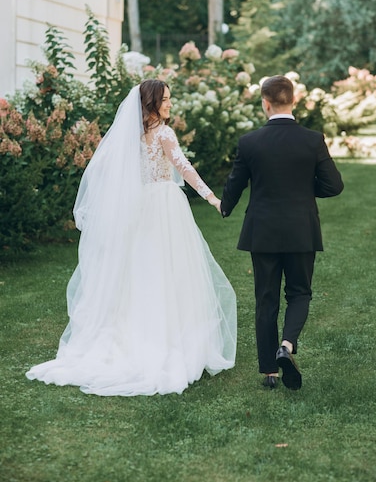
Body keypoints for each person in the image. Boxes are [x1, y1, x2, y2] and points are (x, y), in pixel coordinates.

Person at [26, 80, 236, 396]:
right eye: (165, 100)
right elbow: (184, 167)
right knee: (168, 270)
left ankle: (137, 333)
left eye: (170, 98)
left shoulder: (130, 138)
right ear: (151, 103)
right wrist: (212, 199)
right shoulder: (164, 134)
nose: (170, 104)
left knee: (142, 270)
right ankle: (166, 339)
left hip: (141, 208)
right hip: (164, 207)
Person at [220, 75, 343, 390]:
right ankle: (285, 347)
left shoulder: (250, 142)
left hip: (262, 230)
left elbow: (235, 183)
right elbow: (334, 185)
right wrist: (304, 190)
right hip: (301, 228)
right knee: (299, 292)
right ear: (294, 100)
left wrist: (225, 206)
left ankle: (269, 373)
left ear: (265, 103)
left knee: (266, 299)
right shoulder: (312, 139)